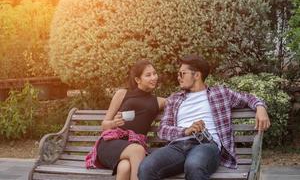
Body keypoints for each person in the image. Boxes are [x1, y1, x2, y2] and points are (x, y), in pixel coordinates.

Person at [138, 54, 271, 180]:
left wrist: (260, 107)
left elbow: (249, 98)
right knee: (146, 168)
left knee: (194, 165)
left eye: (182, 73)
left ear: (196, 75)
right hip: (178, 146)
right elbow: (163, 130)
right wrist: (185, 130)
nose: (178, 77)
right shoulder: (174, 99)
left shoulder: (220, 93)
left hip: (206, 145)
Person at [85, 59, 165, 180]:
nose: (154, 77)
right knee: (138, 150)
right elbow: (104, 125)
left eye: (154, 73)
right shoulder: (122, 94)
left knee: (124, 167)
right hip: (111, 143)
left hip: (133, 146)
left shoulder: (159, 101)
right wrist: (113, 123)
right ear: (138, 80)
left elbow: (180, 102)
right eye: (148, 75)